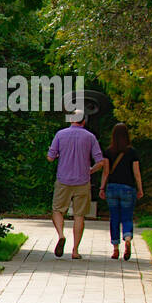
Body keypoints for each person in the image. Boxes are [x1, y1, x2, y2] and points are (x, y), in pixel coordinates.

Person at [47, 108, 106, 259]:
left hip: (63, 179)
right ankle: (75, 250)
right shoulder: (90, 137)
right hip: (83, 180)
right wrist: (90, 171)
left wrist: (58, 154)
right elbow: (100, 162)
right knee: (79, 215)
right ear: (84, 121)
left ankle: (61, 235)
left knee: (57, 210)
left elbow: (50, 157)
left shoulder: (60, 134)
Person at [98, 122, 144, 260]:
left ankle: (115, 248)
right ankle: (128, 239)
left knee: (114, 218)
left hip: (112, 188)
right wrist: (140, 189)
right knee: (127, 217)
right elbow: (136, 173)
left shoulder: (108, 151)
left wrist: (102, 188)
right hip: (128, 188)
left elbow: (106, 172)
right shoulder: (132, 152)